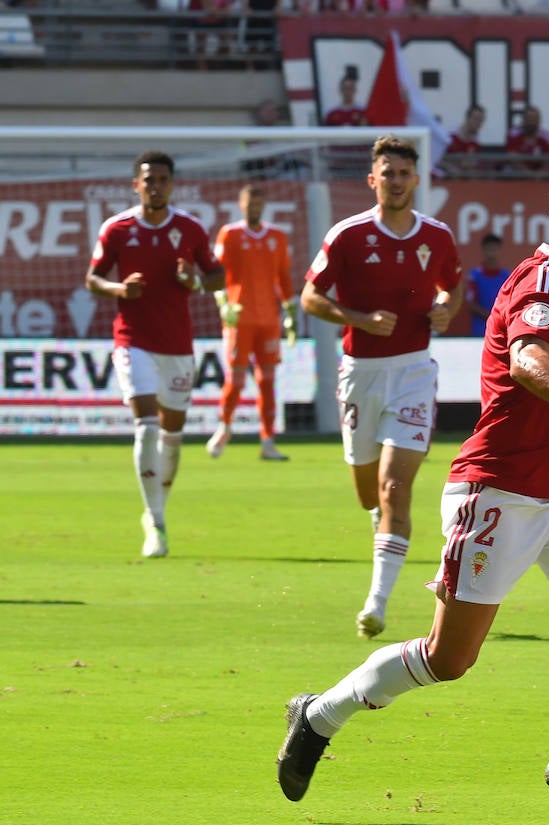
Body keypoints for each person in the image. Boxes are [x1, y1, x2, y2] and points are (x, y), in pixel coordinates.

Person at [276, 156, 549, 806]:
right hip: (494, 494)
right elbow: (527, 359)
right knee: (448, 659)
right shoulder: (541, 283)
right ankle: (318, 715)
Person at [299, 134, 463, 638]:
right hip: (360, 373)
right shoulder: (348, 235)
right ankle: (380, 525)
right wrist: (357, 318)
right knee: (369, 492)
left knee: (395, 487)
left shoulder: (437, 236)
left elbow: (452, 286)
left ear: (416, 180)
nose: (395, 181)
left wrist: (445, 309)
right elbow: (309, 297)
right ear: (372, 180)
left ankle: (377, 603)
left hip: (413, 372)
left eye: (403, 173)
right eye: (387, 173)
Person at [85, 150, 225, 558]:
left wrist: (194, 281)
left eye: (163, 180)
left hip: (177, 345)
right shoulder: (117, 229)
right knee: (146, 426)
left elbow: (217, 276)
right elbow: (93, 278)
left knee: (172, 436)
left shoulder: (190, 228)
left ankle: (157, 510)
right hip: (132, 340)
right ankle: (156, 520)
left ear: (172, 185)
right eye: (149, 180)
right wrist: (118, 289)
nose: (156, 187)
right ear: (136, 185)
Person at [207, 183, 299, 462]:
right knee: (235, 379)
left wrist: (290, 312)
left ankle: (268, 440)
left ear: (264, 205)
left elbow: (283, 276)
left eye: (258, 204)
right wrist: (223, 304)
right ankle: (224, 428)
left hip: (268, 320)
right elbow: (216, 273)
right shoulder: (230, 234)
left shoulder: (277, 236)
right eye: (249, 204)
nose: (254, 208)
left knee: (267, 381)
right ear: (241, 205)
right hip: (239, 319)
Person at [459, 232, 510, 338]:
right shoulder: (474, 275)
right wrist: (492, 317)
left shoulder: (507, 276)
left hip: (502, 331)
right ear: (483, 250)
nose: (491, 253)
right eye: (489, 249)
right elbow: (471, 304)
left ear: (499, 250)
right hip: (480, 331)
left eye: (494, 249)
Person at [505, 105, 549, 172]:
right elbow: (512, 157)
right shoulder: (513, 133)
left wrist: (539, 175)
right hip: (516, 171)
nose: (531, 122)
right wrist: (528, 173)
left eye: (534, 119)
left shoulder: (547, 137)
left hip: (538, 173)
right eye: (529, 119)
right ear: (523, 120)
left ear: (539, 120)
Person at [443, 103, 486, 176]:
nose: (478, 123)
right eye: (476, 119)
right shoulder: (450, 135)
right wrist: (449, 167)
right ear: (467, 118)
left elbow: (471, 164)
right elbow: (436, 159)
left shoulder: (475, 142)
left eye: (481, 120)